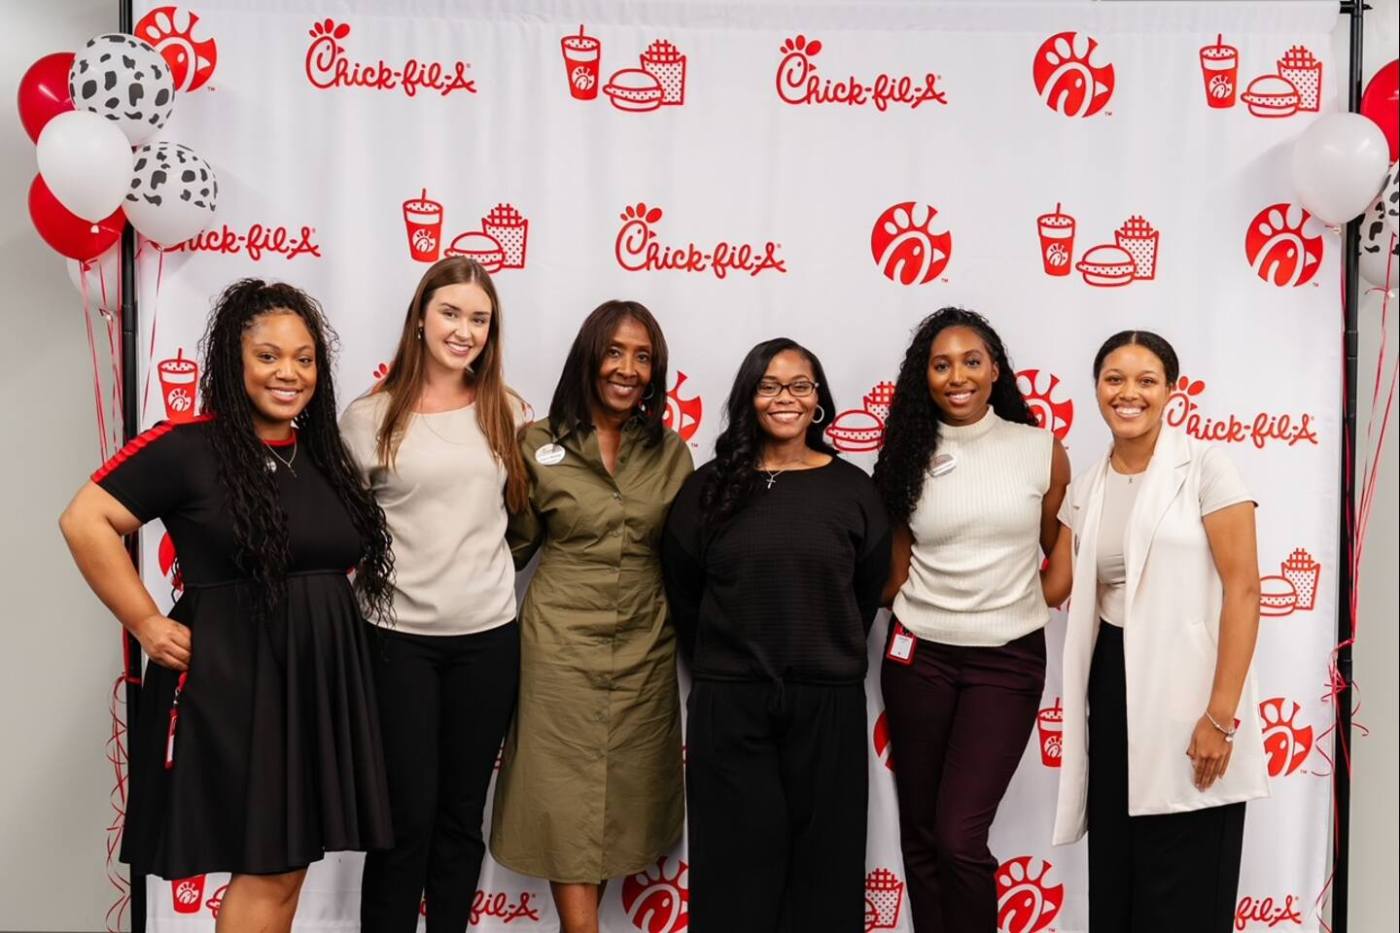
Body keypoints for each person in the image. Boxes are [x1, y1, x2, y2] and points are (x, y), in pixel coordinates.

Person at [58, 280, 394, 933]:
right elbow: (86, 518)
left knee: (287, 867)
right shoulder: (190, 445)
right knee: (268, 866)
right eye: (268, 356)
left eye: (303, 357)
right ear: (232, 361)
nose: (288, 372)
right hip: (237, 681)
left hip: (316, 680)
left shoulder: (319, 450)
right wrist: (146, 621)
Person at [661, 338, 890, 932]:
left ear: (818, 401)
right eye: (769, 385)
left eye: (800, 385)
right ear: (748, 398)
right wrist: (726, 662)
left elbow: (865, 593)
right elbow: (684, 590)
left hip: (828, 702)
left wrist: (818, 651)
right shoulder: (708, 488)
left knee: (827, 871)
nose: (785, 397)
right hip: (730, 702)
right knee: (734, 870)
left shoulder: (853, 489)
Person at [1042, 330, 1267, 932]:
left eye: (1146, 380)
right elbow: (1053, 586)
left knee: (1187, 876)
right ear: (1096, 389)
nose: (1128, 392)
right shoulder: (1087, 486)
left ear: (1171, 391)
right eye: (1114, 379)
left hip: (1190, 689)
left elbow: (1244, 590)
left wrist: (1220, 717)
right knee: (1120, 876)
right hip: (1112, 686)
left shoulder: (1207, 468)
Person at [489, 300, 692, 933]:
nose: (628, 368)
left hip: (645, 645)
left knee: (621, 797)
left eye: (642, 356)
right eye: (615, 352)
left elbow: (690, 557)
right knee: (563, 792)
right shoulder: (537, 443)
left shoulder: (671, 453)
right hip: (558, 647)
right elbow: (509, 547)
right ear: (589, 357)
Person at [340, 257, 528, 932]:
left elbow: (524, 520)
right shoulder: (368, 417)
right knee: (404, 818)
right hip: (396, 641)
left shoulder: (507, 412)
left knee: (459, 817)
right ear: (420, 317)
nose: (465, 329)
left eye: (480, 318)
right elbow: (342, 531)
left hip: (487, 639)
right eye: (451, 312)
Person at [873, 306, 1070, 933]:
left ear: (994, 372)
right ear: (923, 377)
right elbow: (893, 576)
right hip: (918, 657)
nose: (957, 375)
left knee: (960, 835)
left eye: (971, 361)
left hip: (1006, 659)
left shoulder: (1039, 450)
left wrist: (1012, 607)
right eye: (941, 364)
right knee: (924, 833)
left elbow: (1058, 560)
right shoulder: (906, 455)